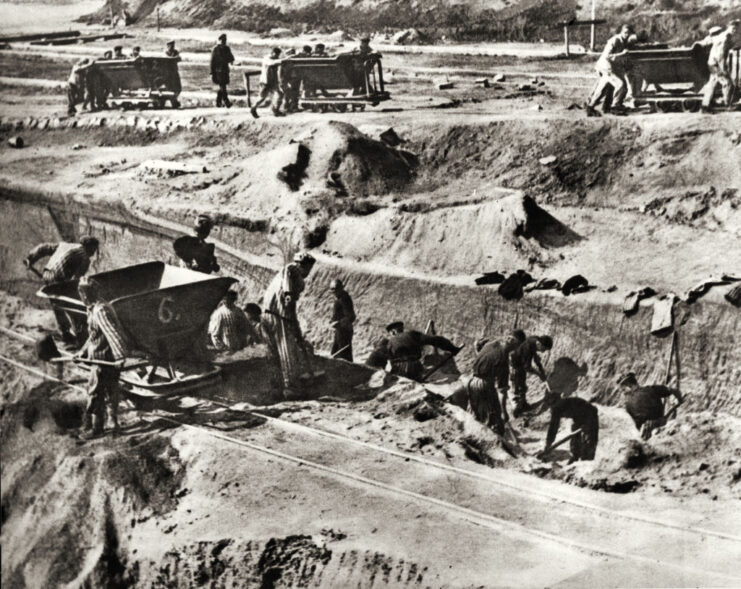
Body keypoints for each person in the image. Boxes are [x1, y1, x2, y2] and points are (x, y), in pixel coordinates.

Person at [76, 277, 128, 438]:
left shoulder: (100, 311)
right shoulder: (94, 308)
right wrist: (82, 352)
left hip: (103, 360)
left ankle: (97, 429)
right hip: (102, 357)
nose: (81, 297)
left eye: (82, 294)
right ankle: (114, 425)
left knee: (95, 392)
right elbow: (94, 336)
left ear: (86, 295)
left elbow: (113, 334)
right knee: (110, 392)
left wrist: (120, 357)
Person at [260, 252, 317, 397]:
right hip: (279, 316)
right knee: (287, 353)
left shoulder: (288, 275)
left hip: (267, 315)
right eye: (308, 269)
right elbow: (289, 298)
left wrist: (294, 320)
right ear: (301, 265)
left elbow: (291, 304)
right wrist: (289, 296)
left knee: (272, 354)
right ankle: (290, 389)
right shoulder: (292, 270)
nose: (308, 272)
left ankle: (276, 387)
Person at [25, 236, 100, 343]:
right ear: (88, 246)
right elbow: (75, 280)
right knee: (72, 305)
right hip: (59, 279)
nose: (93, 253)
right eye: (93, 249)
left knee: (57, 305)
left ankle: (65, 333)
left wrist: (30, 258)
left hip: (47, 275)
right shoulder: (85, 258)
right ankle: (80, 336)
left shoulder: (65, 245)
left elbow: (43, 248)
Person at [464, 332, 523, 435]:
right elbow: (502, 391)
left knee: (474, 413)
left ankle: (470, 435)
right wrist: (504, 412)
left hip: (471, 381)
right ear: (516, 345)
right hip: (483, 386)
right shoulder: (503, 360)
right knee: (494, 419)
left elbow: (478, 347)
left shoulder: (491, 344)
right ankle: (494, 442)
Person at [385, 321, 461, 382]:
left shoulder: (389, 343)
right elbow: (436, 340)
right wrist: (453, 349)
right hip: (414, 367)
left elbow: (387, 360)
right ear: (401, 329)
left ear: (393, 332)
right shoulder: (412, 335)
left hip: (398, 371)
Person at [586, 24, 634, 116]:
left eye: (628, 33)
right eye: (625, 33)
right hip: (606, 67)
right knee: (621, 85)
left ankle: (594, 107)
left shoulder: (624, 41)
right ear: (621, 32)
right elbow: (607, 56)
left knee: (605, 87)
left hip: (611, 67)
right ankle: (615, 107)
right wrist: (621, 54)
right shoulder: (614, 40)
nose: (627, 35)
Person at [618, 372, 683, 439]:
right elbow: (673, 390)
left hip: (645, 435)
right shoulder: (651, 390)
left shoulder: (627, 403)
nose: (623, 393)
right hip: (661, 427)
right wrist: (680, 400)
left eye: (623, 390)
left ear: (630, 386)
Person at [543, 394, 599, 462]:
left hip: (590, 415)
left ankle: (587, 460)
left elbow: (591, 411)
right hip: (577, 418)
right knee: (575, 439)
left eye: (554, 404)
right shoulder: (556, 410)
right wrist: (548, 443)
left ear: (559, 400)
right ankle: (575, 457)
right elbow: (553, 427)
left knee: (589, 441)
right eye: (550, 405)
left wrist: (588, 424)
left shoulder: (572, 402)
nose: (552, 407)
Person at [509, 334, 552, 417]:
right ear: (539, 344)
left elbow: (535, 356)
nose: (543, 351)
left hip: (520, 362)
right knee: (517, 387)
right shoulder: (527, 349)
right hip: (515, 365)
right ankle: (517, 411)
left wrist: (541, 369)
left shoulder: (535, 339)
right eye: (544, 349)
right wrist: (539, 374)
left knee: (523, 385)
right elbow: (527, 367)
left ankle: (523, 405)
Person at [701, 20, 739, 112]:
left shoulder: (726, 36)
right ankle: (727, 105)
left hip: (712, 63)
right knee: (727, 82)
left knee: (712, 84)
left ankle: (705, 106)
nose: (735, 30)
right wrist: (724, 69)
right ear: (728, 27)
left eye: (736, 29)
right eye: (733, 28)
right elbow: (720, 55)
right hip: (716, 64)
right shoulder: (725, 38)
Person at [250, 47, 284, 118]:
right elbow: (272, 63)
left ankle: (275, 109)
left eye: (278, 55)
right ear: (272, 53)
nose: (277, 56)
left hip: (273, 81)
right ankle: (253, 108)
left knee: (280, 94)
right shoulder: (266, 59)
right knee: (262, 97)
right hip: (265, 82)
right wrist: (283, 60)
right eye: (276, 54)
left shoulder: (275, 59)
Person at [329, 278, 355, 361]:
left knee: (343, 355)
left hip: (344, 331)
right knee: (336, 354)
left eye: (334, 289)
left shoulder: (344, 299)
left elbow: (351, 316)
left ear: (340, 288)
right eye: (331, 289)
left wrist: (338, 323)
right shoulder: (339, 298)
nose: (333, 292)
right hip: (340, 330)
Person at [211, 33, 235, 108]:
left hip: (225, 70)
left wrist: (230, 61)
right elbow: (212, 61)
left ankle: (218, 102)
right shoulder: (215, 49)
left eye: (224, 40)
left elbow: (231, 58)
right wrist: (212, 72)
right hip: (218, 71)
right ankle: (226, 102)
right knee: (223, 87)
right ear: (219, 40)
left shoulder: (227, 49)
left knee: (222, 87)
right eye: (222, 40)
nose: (223, 42)